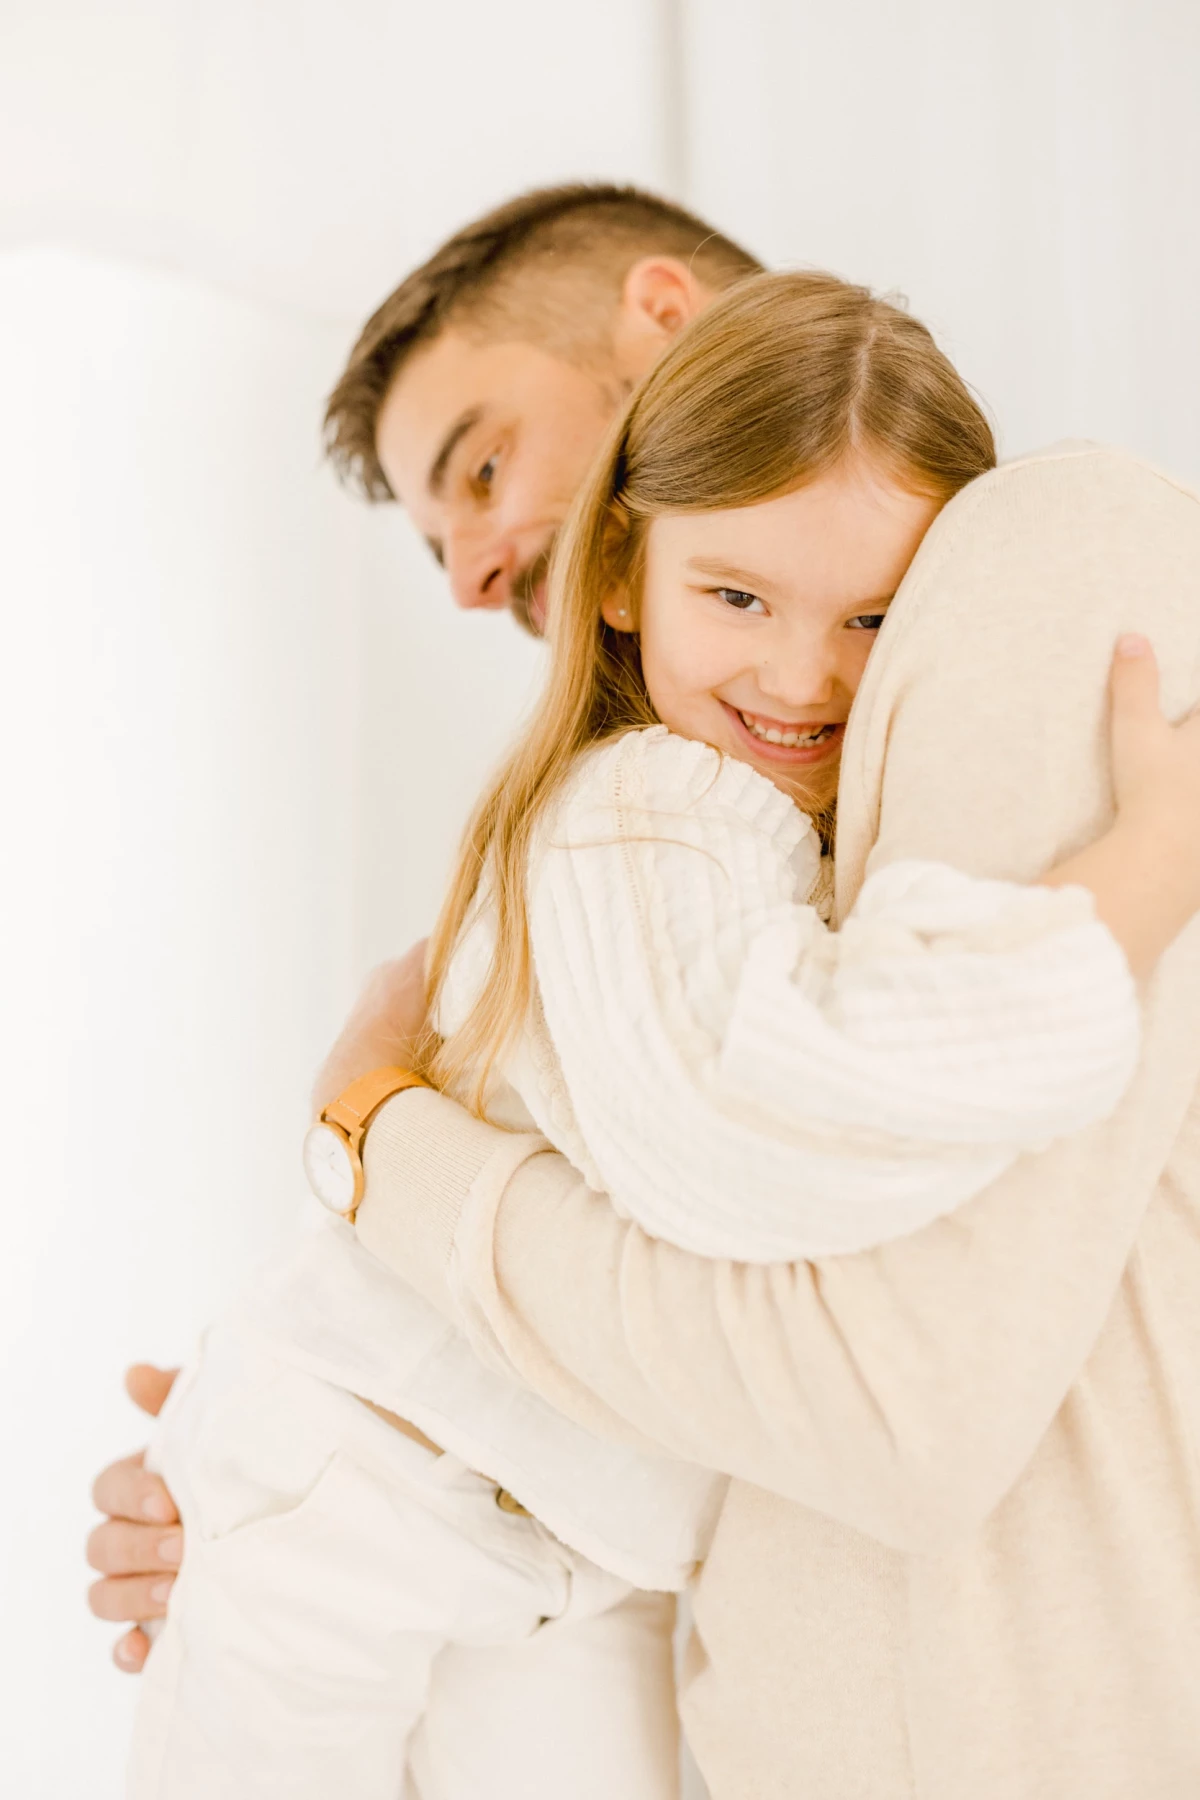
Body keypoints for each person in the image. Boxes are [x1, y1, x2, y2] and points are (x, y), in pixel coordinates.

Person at [124, 271, 1200, 1799]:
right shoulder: (642, 810)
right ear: (627, 571)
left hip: (587, 1547)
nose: (799, 672)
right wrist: (1133, 888)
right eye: (739, 599)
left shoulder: (1014, 610)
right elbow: (772, 1126)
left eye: (872, 618)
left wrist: (378, 1141)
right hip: (383, 1471)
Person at [87, 180, 764, 1664]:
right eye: (437, 538)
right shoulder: (639, 803)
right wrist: (315, 1451)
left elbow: (777, 1329)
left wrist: (368, 1126)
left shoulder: (968, 632)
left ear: (663, 316)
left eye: (482, 466)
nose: (469, 579)